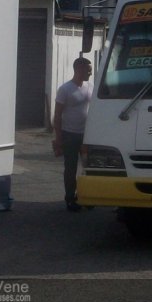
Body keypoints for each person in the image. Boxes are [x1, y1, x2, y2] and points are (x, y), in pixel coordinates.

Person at [53, 57, 93, 212]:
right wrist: (58, 139)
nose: (90, 73)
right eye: (88, 70)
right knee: (70, 168)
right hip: (69, 134)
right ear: (79, 70)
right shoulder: (65, 89)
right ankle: (70, 198)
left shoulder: (91, 86)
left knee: (89, 167)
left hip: (87, 136)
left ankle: (88, 196)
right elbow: (57, 116)